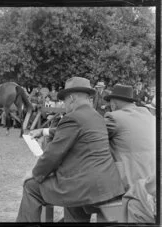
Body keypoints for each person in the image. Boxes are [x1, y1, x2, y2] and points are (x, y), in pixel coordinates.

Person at [16, 77, 125, 222]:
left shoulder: (72, 118)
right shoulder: (98, 117)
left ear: (72, 99)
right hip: (108, 186)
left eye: (64, 100)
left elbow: (53, 155)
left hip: (86, 187)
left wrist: (34, 173)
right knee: (71, 192)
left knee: (30, 187)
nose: (64, 104)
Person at [103, 84, 156, 191]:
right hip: (152, 179)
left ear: (113, 103)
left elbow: (92, 134)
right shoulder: (148, 114)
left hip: (129, 182)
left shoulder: (114, 117)